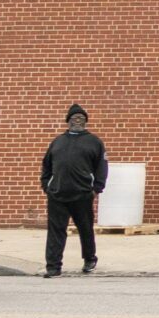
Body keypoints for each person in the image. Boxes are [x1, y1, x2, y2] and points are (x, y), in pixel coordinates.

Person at [40, 103, 109, 278]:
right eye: (74, 118)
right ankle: (53, 267)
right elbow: (46, 165)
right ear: (68, 121)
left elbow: (101, 166)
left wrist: (96, 188)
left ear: (85, 121)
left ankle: (89, 259)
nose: (77, 120)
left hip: (83, 194)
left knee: (85, 228)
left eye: (81, 118)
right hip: (57, 194)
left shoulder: (94, 142)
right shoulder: (57, 141)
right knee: (56, 231)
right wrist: (46, 185)